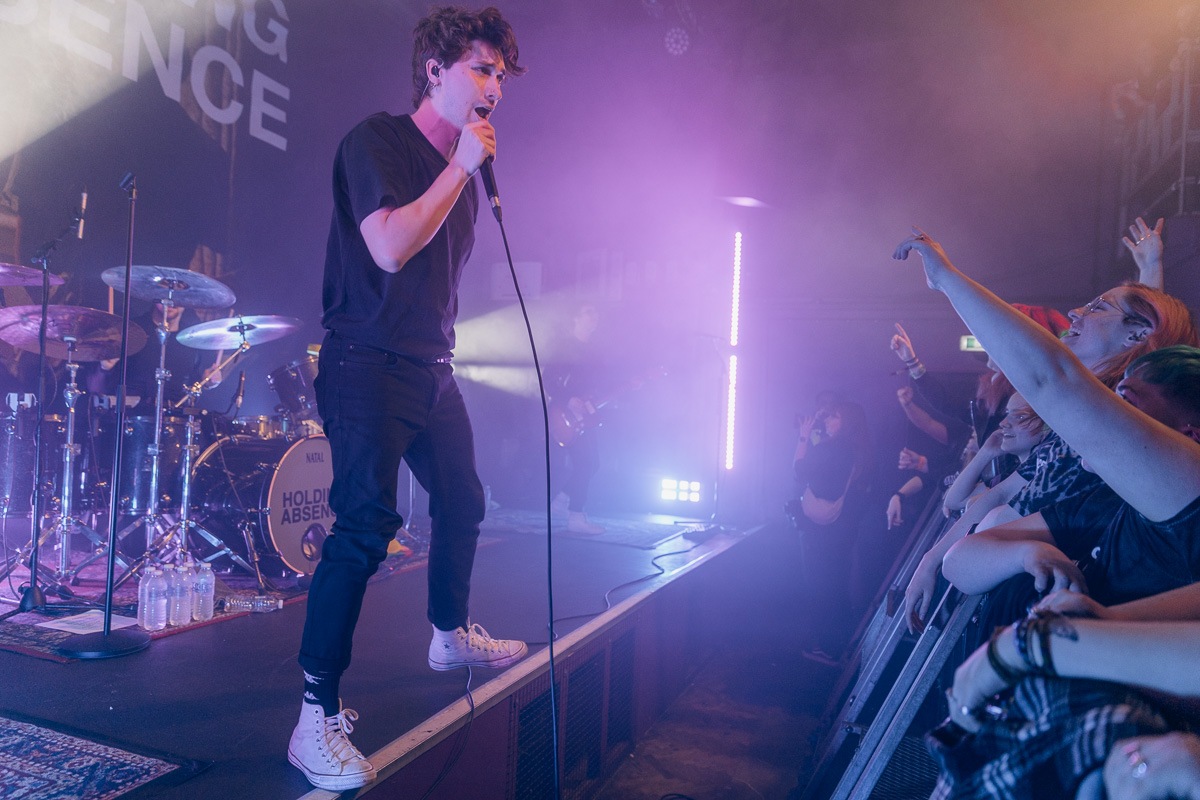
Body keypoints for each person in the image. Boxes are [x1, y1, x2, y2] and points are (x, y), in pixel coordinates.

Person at [289, 8, 527, 791]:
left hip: (429, 367)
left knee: (463, 497)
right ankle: (313, 717)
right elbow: (389, 247)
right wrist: (460, 168)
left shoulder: (465, 173)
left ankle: (448, 635)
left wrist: (462, 170)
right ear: (434, 68)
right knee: (366, 524)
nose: (494, 87)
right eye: (481, 69)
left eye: (500, 75)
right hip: (365, 363)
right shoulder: (377, 142)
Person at [793, 399, 872, 663]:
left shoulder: (830, 449)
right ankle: (841, 645)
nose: (827, 421)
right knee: (837, 586)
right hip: (843, 531)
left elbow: (799, 471)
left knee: (821, 587)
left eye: (833, 417)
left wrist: (804, 437)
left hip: (821, 533)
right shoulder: (857, 450)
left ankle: (829, 649)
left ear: (846, 422)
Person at [547, 303, 607, 534]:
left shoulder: (594, 350)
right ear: (575, 318)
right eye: (588, 312)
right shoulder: (564, 347)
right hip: (566, 415)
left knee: (593, 463)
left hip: (586, 415)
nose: (594, 316)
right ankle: (576, 516)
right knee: (585, 462)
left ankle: (561, 501)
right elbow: (548, 380)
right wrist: (568, 400)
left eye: (596, 312)